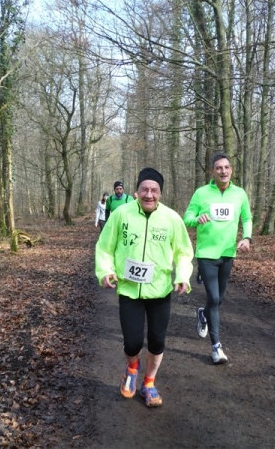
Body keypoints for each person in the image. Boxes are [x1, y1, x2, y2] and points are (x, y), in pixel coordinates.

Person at [95, 167, 194, 407]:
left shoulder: (172, 218)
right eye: (144, 189)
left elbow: (183, 252)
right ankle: (132, 368)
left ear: (160, 193)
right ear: (137, 191)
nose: (149, 194)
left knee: (157, 342)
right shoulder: (121, 214)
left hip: (160, 291)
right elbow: (104, 247)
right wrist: (105, 271)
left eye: (154, 190)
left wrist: (183, 275)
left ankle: (149, 384)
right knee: (132, 343)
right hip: (129, 291)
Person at [183, 153, 252, 365]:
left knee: (219, 299)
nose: (223, 171)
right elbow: (187, 218)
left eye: (226, 167)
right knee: (213, 298)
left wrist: (247, 238)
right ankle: (216, 347)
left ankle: (203, 314)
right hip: (206, 254)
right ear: (212, 171)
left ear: (231, 170)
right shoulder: (201, 193)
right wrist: (197, 219)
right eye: (219, 168)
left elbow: (247, 218)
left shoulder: (239, 194)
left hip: (228, 252)